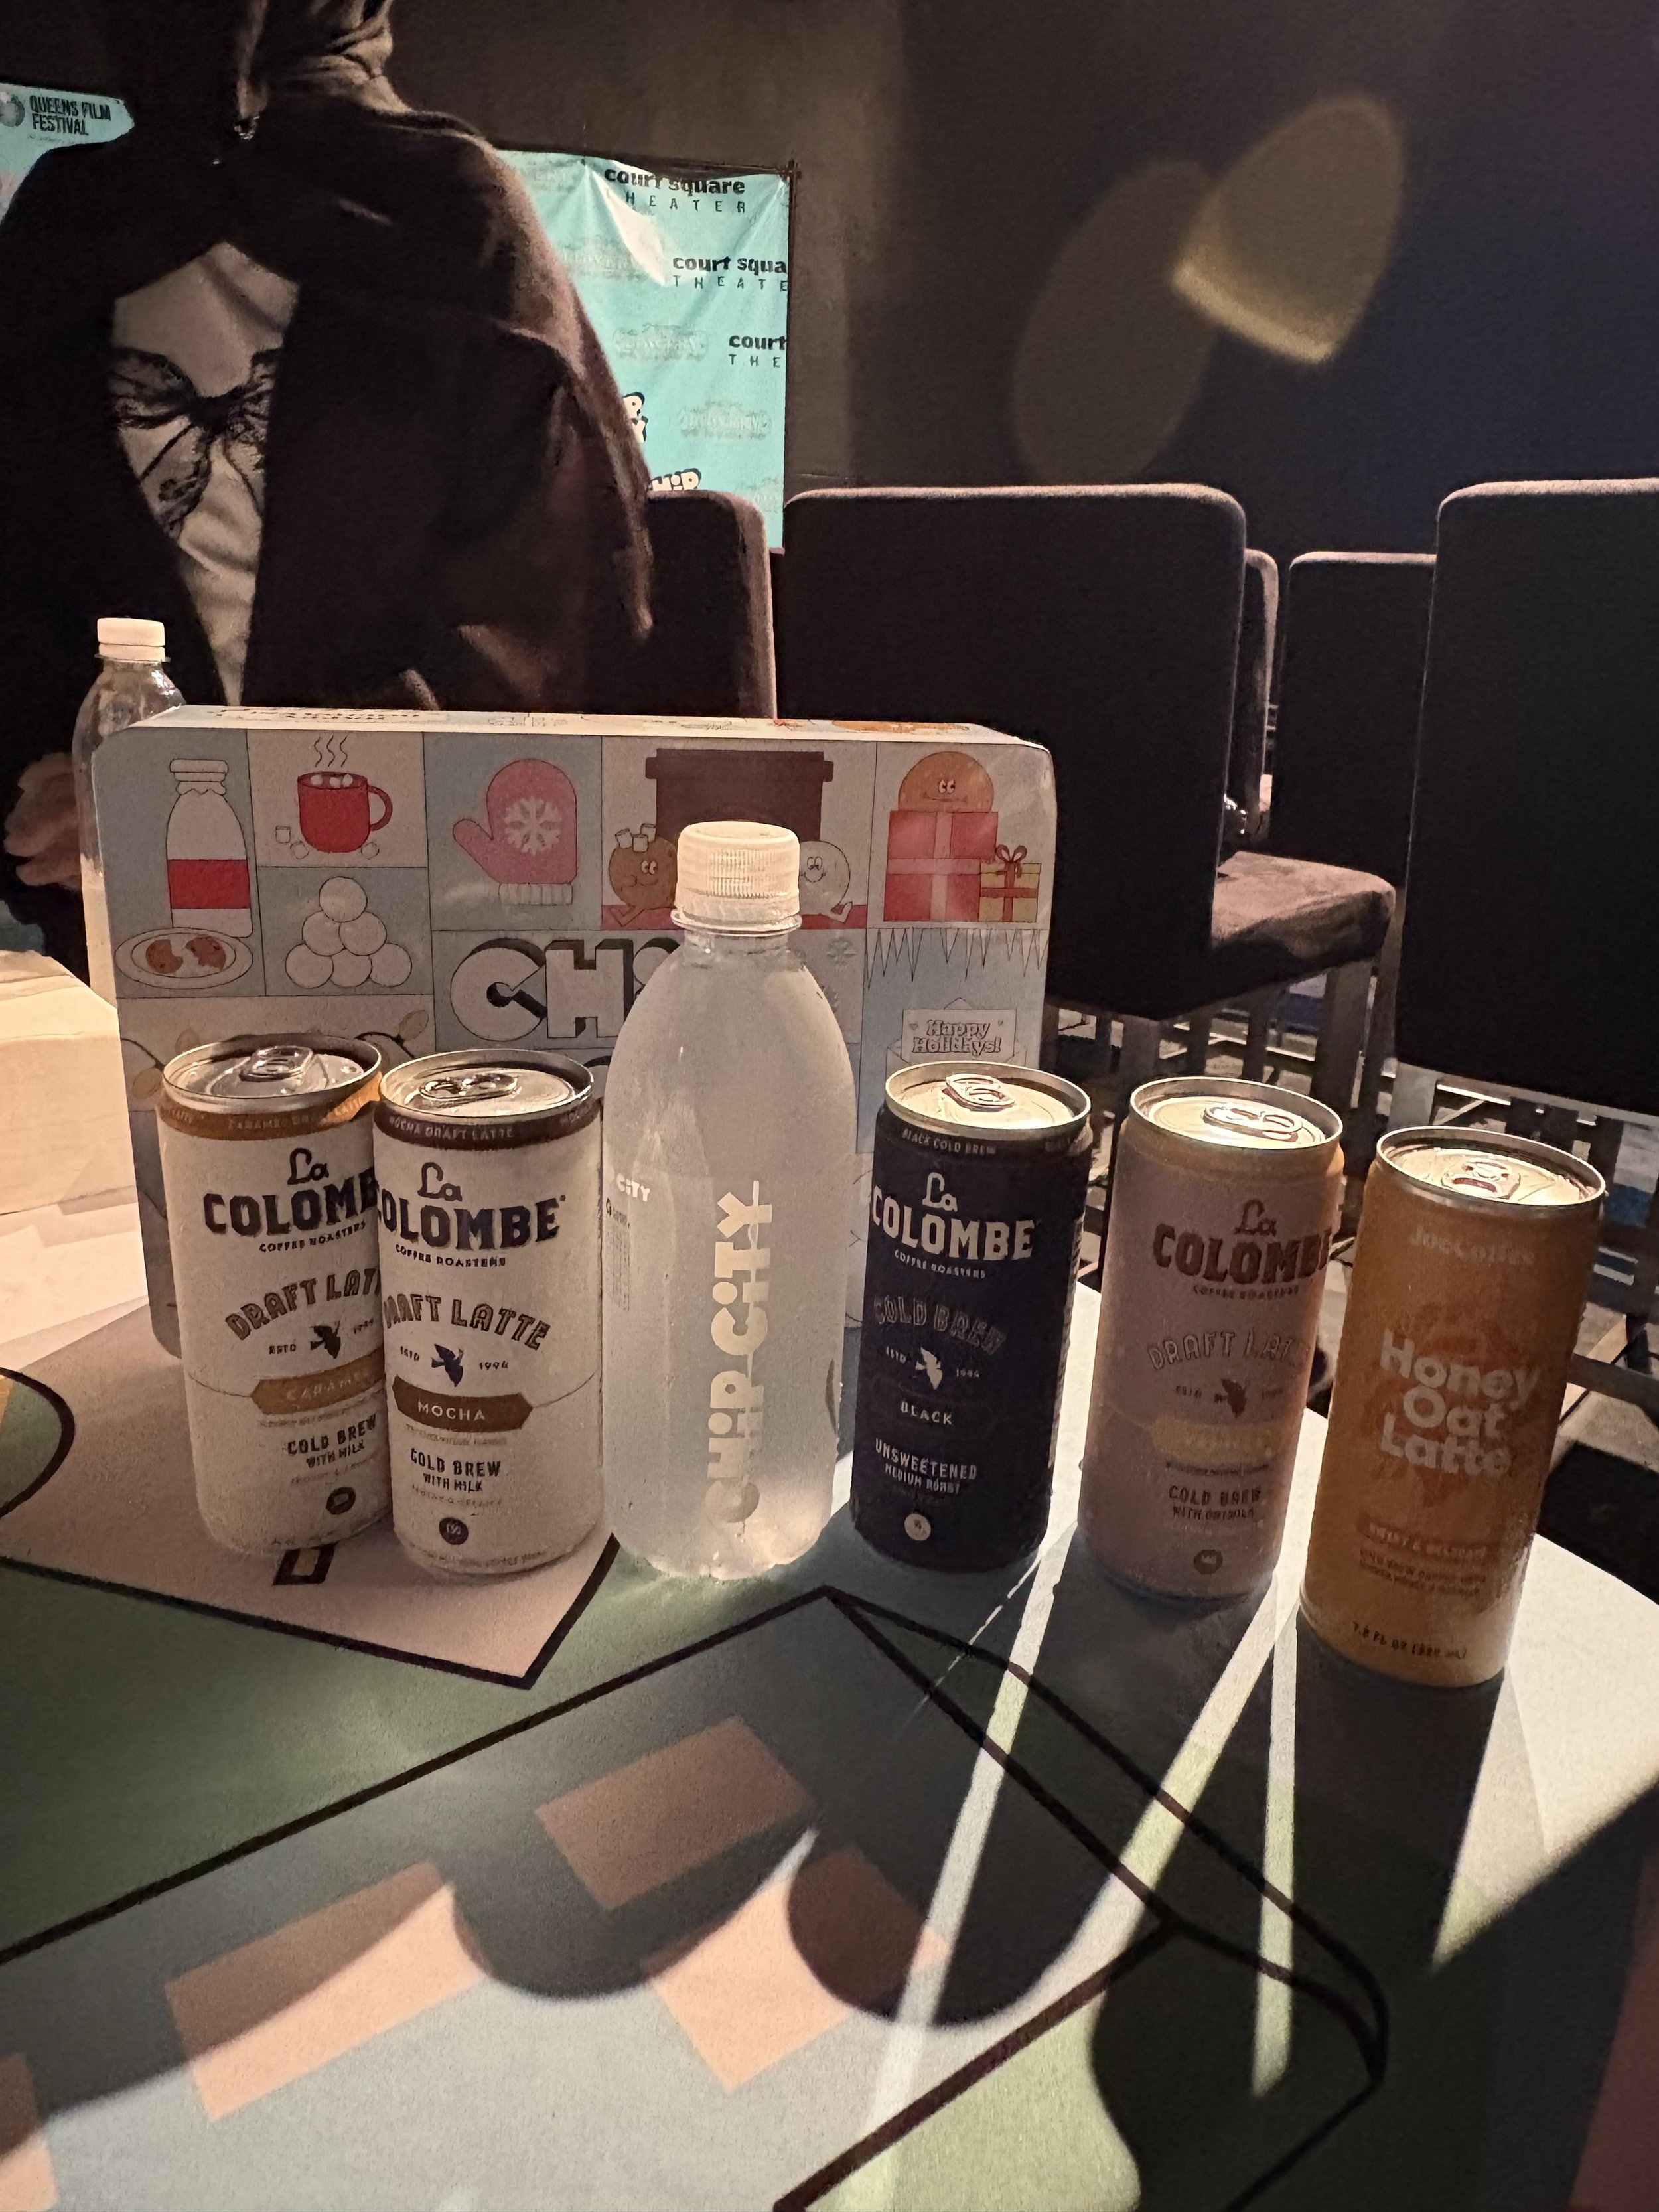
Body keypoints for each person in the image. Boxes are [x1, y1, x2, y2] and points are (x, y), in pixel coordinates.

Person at [0, 0, 652, 970]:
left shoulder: (457, 223)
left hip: (412, 933)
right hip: (120, 930)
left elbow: (548, 629)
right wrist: (44, 773)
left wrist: (240, 800)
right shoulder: (66, 228)